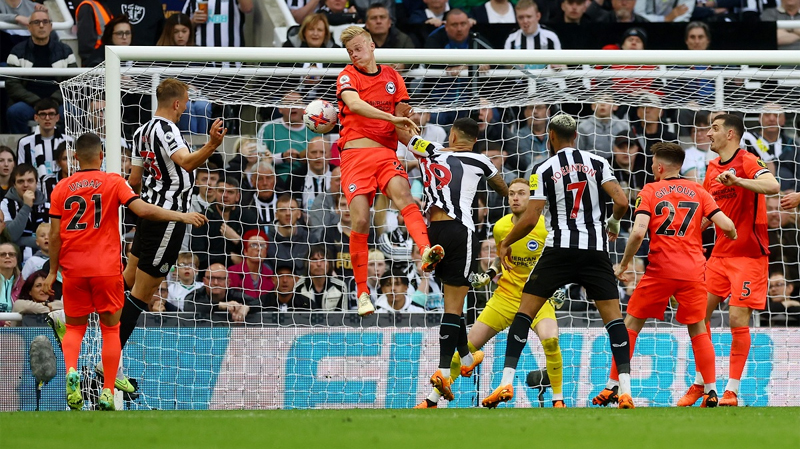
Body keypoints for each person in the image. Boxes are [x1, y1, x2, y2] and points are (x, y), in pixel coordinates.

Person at [43, 132, 206, 411]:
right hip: (106, 269)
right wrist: (180, 215)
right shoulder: (113, 182)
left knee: (73, 328)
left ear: (75, 157)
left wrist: (52, 272)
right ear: (101, 156)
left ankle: (72, 371)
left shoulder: (61, 188)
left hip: (73, 269)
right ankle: (107, 391)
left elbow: (55, 235)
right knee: (110, 330)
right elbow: (143, 210)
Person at [483, 113, 634, 409]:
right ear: (576, 136)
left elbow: (530, 218)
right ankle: (625, 389)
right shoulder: (599, 162)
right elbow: (623, 202)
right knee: (614, 321)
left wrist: (505, 242)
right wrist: (614, 222)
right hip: (594, 250)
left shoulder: (544, 168)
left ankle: (505, 383)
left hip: (559, 249)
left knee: (524, 315)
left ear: (551, 136)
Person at [595, 142, 737, 408]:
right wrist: (730, 233)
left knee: (630, 325)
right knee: (698, 330)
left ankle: (613, 385)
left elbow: (638, 233)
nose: (650, 167)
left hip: (661, 270)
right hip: (694, 270)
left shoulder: (649, 190)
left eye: (652, 163)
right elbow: (727, 225)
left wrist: (624, 265)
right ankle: (711, 389)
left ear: (659, 167)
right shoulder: (699, 190)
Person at [416, 178, 566, 408]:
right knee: (468, 347)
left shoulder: (546, 227)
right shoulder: (501, 227)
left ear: (532, 198)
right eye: (512, 194)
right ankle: (433, 399)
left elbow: (557, 261)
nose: (515, 198)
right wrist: (490, 273)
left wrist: (559, 285)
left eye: (522, 193)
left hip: (537, 297)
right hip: (505, 296)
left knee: (551, 341)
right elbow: (502, 255)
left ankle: (558, 400)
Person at [116, 79, 226, 388]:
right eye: (187, 101)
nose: (188, 107)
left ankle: (76, 318)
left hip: (149, 213)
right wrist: (211, 145)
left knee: (126, 280)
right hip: (169, 219)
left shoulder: (140, 132)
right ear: (176, 103)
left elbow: (134, 179)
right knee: (143, 293)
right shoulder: (167, 130)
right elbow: (186, 162)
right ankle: (108, 361)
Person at [336, 25, 443, 317]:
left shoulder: (393, 77)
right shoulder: (347, 76)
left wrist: (424, 145)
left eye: (358, 48)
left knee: (405, 196)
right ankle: (362, 293)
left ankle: (425, 250)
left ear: (372, 46)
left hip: (385, 153)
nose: (355, 54)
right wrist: (390, 118)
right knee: (359, 220)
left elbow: (402, 119)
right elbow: (355, 105)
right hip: (355, 155)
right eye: (350, 51)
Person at [399, 117, 508, 403]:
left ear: (452, 135)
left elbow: (402, 134)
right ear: (474, 139)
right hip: (462, 232)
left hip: (432, 232)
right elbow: (502, 188)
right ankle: (457, 364)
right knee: (453, 305)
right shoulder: (481, 160)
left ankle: (454, 365)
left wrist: (402, 115)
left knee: (452, 305)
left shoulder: (431, 149)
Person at [678, 114, 780, 407]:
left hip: (749, 255)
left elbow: (772, 186)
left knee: (737, 318)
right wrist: (684, 238)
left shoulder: (747, 160)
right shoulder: (711, 169)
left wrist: (739, 180)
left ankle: (731, 391)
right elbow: (710, 214)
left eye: (714, 128)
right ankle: (702, 383)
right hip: (719, 255)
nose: (708, 133)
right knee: (697, 315)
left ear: (731, 134)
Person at [5, 10, 77, 134]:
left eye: (45, 22)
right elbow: (12, 83)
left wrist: (54, 100)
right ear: (29, 27)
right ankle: (22, 148)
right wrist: (36, 101)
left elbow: (73, 81)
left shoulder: (65, 50)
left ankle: (64, 149)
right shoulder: (17, 51)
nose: (41, 25)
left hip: (58, 102)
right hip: (28, 103)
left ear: (51, 26)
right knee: (15, 112)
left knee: (74, 112)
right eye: (36, 22)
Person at [155, 13, 214, 134]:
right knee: (187, 108)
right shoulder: (161, 54)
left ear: (190, 32)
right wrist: (184, 89)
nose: (180, 35)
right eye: (176, 31)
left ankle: (201, 145)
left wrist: (198, 90)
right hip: (173, 98)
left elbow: (210, 80)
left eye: (184, 31)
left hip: (198, 96)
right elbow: (160, 81)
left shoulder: (201, 53)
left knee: (203, 106)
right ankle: (188, 147)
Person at [0, 164, 49, 260]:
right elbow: (11, 236)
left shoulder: (47, 205)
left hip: (46, 260)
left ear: (36, 183)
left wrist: (21, 240)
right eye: (20, 181)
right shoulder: (5, 204)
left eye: (30, 181)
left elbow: (53, 240)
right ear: (14, 184)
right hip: (16, 260)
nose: (25, 185)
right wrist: (26, 206)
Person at [16, 98, 73, 180]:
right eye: (43, 114)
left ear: (57, 117)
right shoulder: (24, 143)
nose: (47, 118)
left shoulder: (68, 141)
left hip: (62, 187)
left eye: (51, 114)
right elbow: (21, 171)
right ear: (36, 118)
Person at [185, 263, 259, 322]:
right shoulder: (197, 294)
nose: (216, 283)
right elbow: (188, 306)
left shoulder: (233, 294)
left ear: (228, 282)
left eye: (220, 279)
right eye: (211, 278)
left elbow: (258, 303)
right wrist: (221, 305)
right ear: (204, 281)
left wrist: (247, 307)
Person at [503, 0, 561, 71]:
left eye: (529, 16)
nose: (525, 21)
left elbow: (562, 65)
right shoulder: (511, 39)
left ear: (538, 16)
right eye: (521, 17)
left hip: (546, 81)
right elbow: (506, 67)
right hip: (521, 81)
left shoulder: (551, 37)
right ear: (516, 18)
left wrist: (558, 66)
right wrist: (513, 64)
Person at [293, 244, 351, 310]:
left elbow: (343, 317)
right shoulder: (299, 287)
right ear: (307, 264)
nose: (319, 264)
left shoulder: (340, 287)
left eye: (323, 260)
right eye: (314, 260)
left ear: (329, 263)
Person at [228, 229, 275, 302]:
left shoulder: (270, 275)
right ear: (245, 251)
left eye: (262, 246)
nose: (259, 249)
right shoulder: (232, 273)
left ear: (266, 252)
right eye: (253, 245)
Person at [577, 94, 629, 160]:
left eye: (607, 100)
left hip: (616, 167)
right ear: (593, 106)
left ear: (615, 106)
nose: (602, 104)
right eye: (599, 100)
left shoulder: (623, 126)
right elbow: (578, 152)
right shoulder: (583, 127)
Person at [184, 0, 253, 48]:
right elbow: (180, 25)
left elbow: (248, 8)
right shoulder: (192, 1)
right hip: (202, 60)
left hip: (232, 60)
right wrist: (193, 21)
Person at [0, 242, 24, 315]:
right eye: (2, 254)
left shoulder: (24, 284)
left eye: (11, 254)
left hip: (17, 325)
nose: (7, 257)